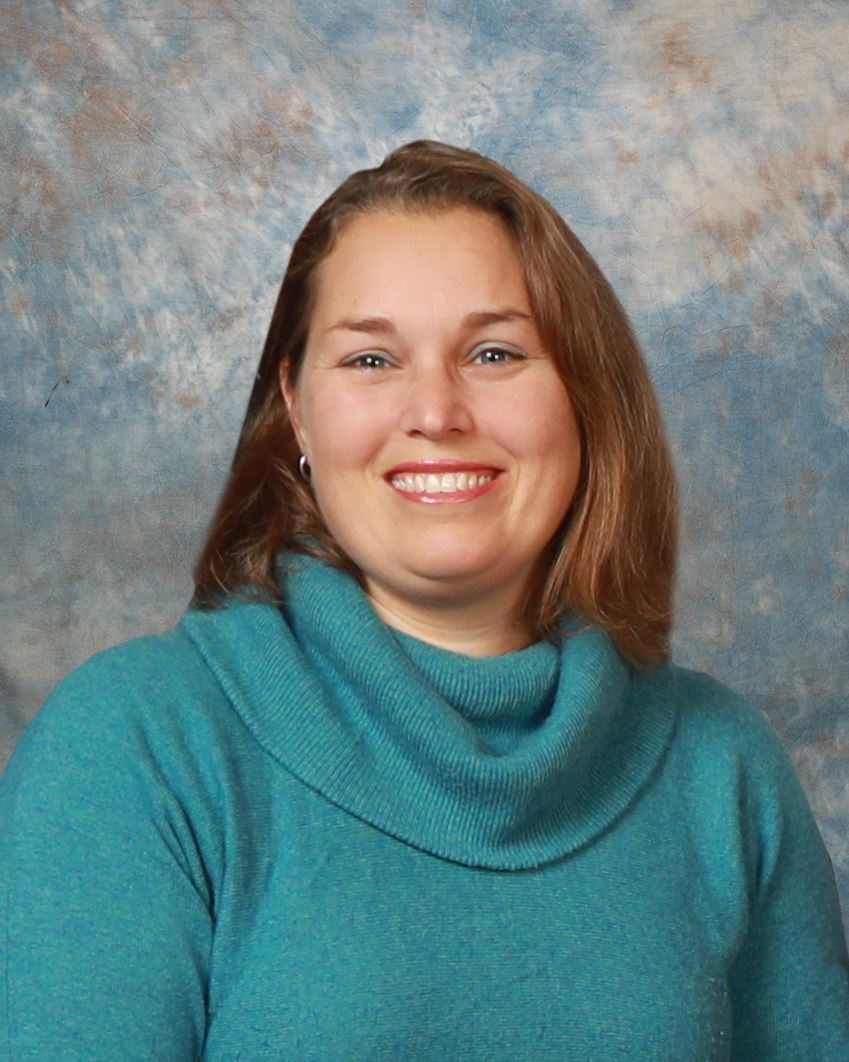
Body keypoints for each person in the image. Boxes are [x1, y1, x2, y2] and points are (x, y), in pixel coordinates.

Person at [1, 140, 847, 1060]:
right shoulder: (136, 745)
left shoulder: (721, 768)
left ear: (584, 399)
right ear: (295, 410)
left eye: (493, 352)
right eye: (370, 360)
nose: (436, 412)